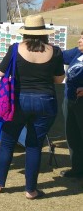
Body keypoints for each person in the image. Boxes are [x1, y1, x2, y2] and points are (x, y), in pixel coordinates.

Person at [0, 15, 65, 199]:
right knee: (34, 145)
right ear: (44, 34)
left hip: (18, 100)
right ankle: (31, 190)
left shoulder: (16, 49)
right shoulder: (55, 51)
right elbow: (59, 79)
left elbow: (1, 72)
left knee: (8, 142)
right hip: (46, 101)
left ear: (25, 32)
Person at [60, 31, 83, 179]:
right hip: (70, 99)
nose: (79, 40)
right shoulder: (76, 52)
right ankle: (77, 168)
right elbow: (59, 56)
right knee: (72, 134)